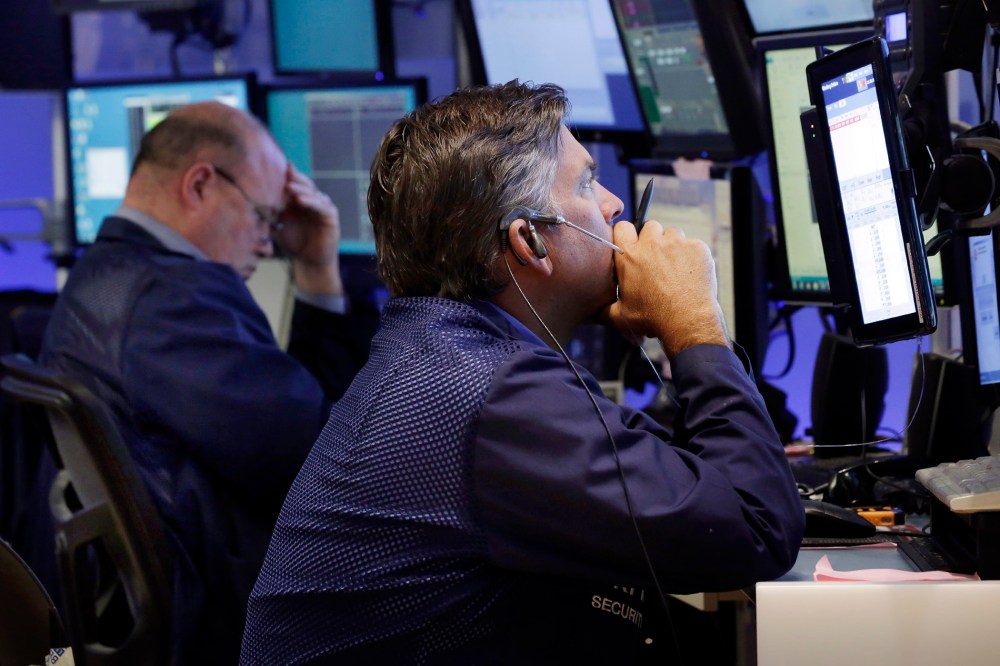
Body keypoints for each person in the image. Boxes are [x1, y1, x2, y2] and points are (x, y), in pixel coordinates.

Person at [240, 81, 804, 664]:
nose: (614, 205)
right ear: (529, 239)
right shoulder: (484, 391)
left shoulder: (445, 355)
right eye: (587, 182)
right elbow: (755, 527)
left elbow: (685, 490)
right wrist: (695, 327)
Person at [39, 101, 377, 662]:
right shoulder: (176, 298)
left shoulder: (104, 275)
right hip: (222, 616)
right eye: (266, 218)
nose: (269, 244)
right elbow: (325, 463)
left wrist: (315, 270)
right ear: (200, 185)